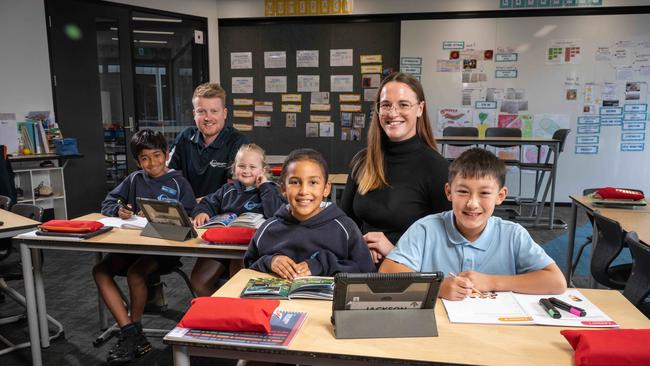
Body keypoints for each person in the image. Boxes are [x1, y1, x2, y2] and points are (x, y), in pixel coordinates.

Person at [379, 148, 567, 300]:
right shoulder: (425, 229)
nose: (472, 203)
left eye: (484, 193)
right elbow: (387, 274)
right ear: (448, 192)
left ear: (500, 196)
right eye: (463, 192)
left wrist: (491, 282)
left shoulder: (513, 235)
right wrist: (437, 287)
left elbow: (556, 282)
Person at [95, 129, 196, 365]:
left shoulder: (179, 182)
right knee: (99, 270)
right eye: (145, 158)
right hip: (133, 244)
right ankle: (132, 333)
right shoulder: (134, 179)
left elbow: (191, 216)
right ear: (137, 161)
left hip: (164, 250)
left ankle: (133, 327)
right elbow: (108, 202)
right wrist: (118, 210)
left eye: (157, 155)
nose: (152, 163)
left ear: (166, 155)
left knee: (136, 273)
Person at [340, 72, 451, 264]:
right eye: (386, 105)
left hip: (408, 276)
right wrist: (360, 244)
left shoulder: (438, 168)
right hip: (359, 267)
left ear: (420, 109)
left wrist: (394, 250)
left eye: (403, 104)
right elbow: (344, 223)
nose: (393, 113)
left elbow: (445, 246)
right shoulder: (362, 161)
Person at [244, 148, 375, 279]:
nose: (304, 191)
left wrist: (321, 265)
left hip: (328, 299)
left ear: (326, 188)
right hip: (278, 299)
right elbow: (248, 266)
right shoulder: (268, 229)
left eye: (313, 182)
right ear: (283, 188)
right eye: (295, 182)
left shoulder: (345, 229)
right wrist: (270, 262)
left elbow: (366, 272)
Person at [190, 143, 285, 296]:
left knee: (239, 282)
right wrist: (202, 212)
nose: (246, 170)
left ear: (264, 170)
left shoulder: (270, 190)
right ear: (234, 169)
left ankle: (237, 311)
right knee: (198, 281)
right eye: (241, 166)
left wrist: (265, 187)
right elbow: (207, 202)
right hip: (222, 246)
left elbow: (276, 213)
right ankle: (220, 312)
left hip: (249, 249)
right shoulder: (228, 190)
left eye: (252, 167)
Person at [168, 82, 249, 200]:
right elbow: (167, 174)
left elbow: (236, 188)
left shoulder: (238, 142)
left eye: (214, 111)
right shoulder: (185, 137)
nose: (208, 118)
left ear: (224, 113)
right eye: (201, 111)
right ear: (194, 114)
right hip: (187, 208)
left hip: (221, 211)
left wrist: (208, 202)